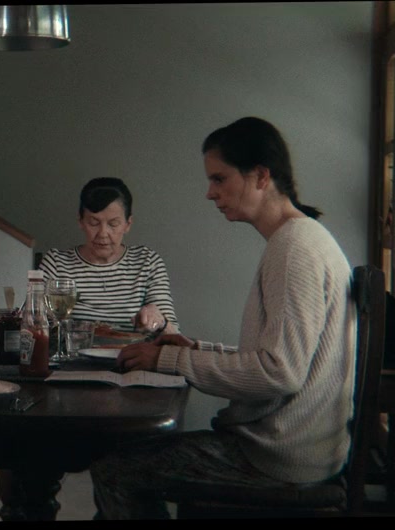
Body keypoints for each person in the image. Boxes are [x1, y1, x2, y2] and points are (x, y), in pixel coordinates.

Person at [90, 116, 357, 519]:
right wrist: (196, 349)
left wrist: (169, 359)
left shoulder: (294, 249)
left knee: (114, 469)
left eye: (219, 179)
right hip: (304, 451)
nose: (210, 193)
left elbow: (280, 372)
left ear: (261, 176)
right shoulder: (303, 238)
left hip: (279, 459)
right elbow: (278, 358)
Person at [38, 177, 179, 334]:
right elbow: (34, 325)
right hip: (74, 350)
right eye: (94, 223)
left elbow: (174, 336)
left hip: (133, 350)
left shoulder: (147, 263)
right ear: (80, 221)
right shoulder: (56, 263)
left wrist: (160, 321)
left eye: (113, 224)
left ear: (127, 224)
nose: (103, 233)